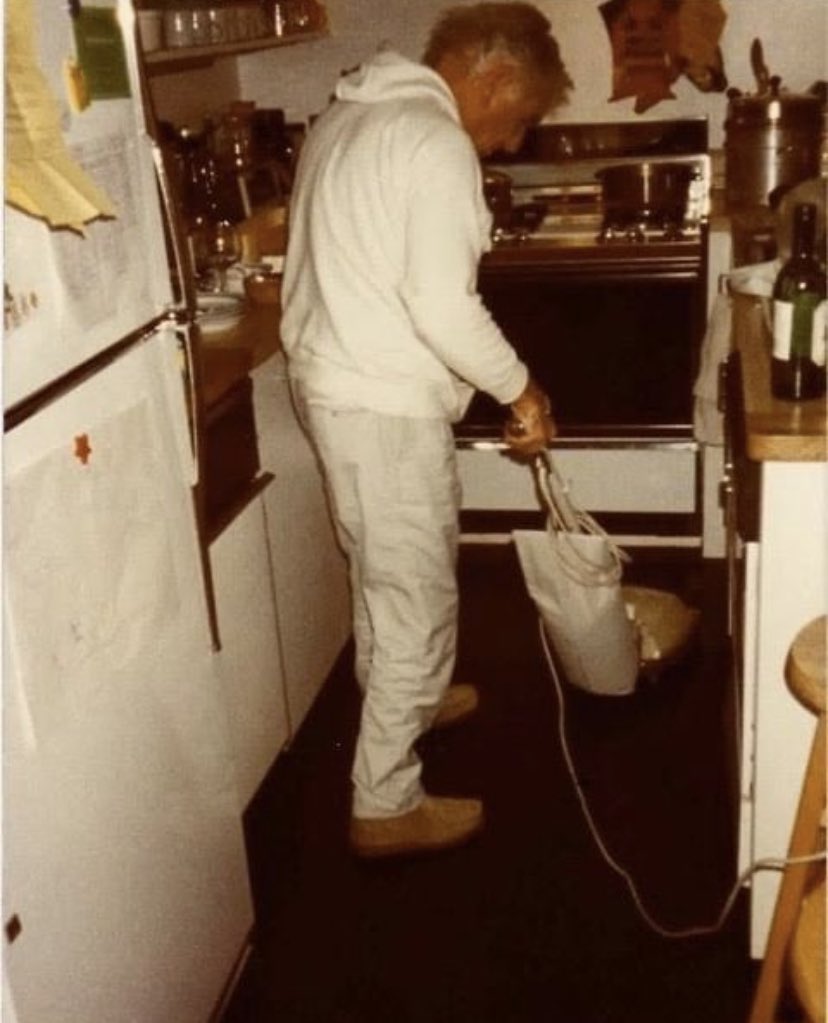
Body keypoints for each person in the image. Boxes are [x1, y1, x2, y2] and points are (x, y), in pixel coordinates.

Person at [280, 2, 571, 858]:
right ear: (495, 77)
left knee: (382, 573)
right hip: (382, 402)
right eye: (518, 118)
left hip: (335, 387)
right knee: (415, 595)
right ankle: (385, 800)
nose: (511, 142)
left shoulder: (346, 116)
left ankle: (405, 695)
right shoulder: (433, 141)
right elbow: (443, 306)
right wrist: (524, 391)